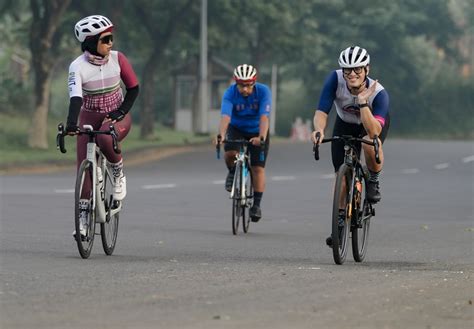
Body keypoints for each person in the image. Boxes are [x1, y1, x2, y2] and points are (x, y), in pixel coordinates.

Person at [66, 15, 139, 238]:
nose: (111, 43)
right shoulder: (77, 67)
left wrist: (120, 112)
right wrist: (71, 125)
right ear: (91, 42)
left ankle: (117, 172)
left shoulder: (118, 59)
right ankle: (83, 221)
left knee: (106, 137)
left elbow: (133, 88)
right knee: (84, 172)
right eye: (106, 39)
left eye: (111, 38)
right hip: (88, 116)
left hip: (117, 115)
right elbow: (75, 99)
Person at [311, 46, 390, 247]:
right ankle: (338, 225)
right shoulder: (335, 80)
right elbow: (322, 111)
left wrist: (363, 102)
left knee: (371, 145)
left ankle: (373, 179)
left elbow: (374, 132)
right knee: (341, 176)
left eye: (357, 69)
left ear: (366, 70)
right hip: (344, 122)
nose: (352, 74)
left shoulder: (379, 93)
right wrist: (319, 130)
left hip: (370, 124)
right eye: (348, 70)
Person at [215, 64, 272, 222]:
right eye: (241, 85)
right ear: (236, 83)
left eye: (248, 85)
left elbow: (264, 117)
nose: (245, 90)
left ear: (254, 83)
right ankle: (233, 171)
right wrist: (220, 135)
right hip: (237, 128)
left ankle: (256, 205)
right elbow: (225, 116)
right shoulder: (230, 93)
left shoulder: (263, 91)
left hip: (257, 130)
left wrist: (261, 137)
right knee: (230, 153)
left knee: (257, 168)